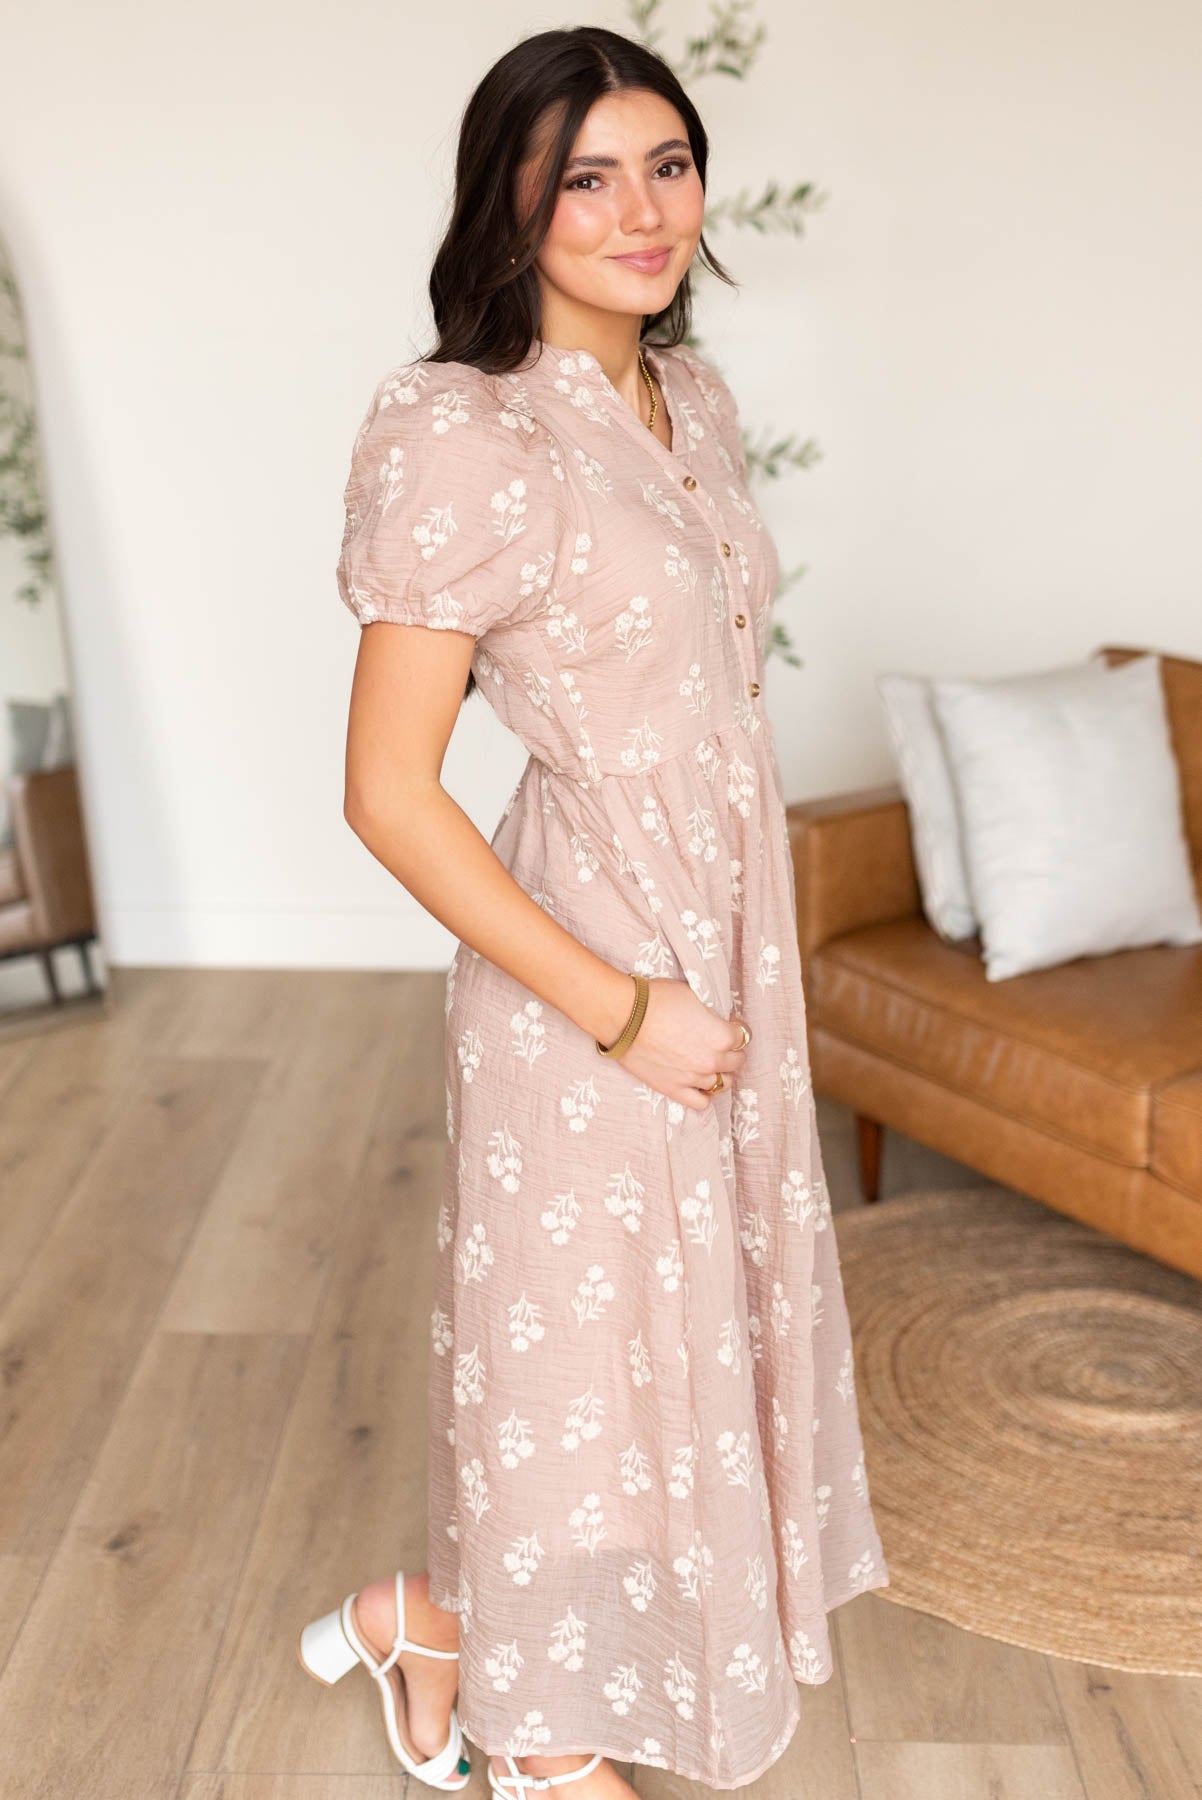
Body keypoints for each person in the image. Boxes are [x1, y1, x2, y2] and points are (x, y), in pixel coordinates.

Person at [299, 23, 888, 1798]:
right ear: (512, 204)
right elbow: (387, 793)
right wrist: (626, 1007)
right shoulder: (458, 430)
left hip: (732, 944)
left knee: (675, 1331)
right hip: (588, 959)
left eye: (667, 165)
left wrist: (717, 984)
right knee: (581, 1342)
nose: (639, 213)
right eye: (585, 177)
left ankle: (434, 1618)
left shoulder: (685, 398)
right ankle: (544, 1747)